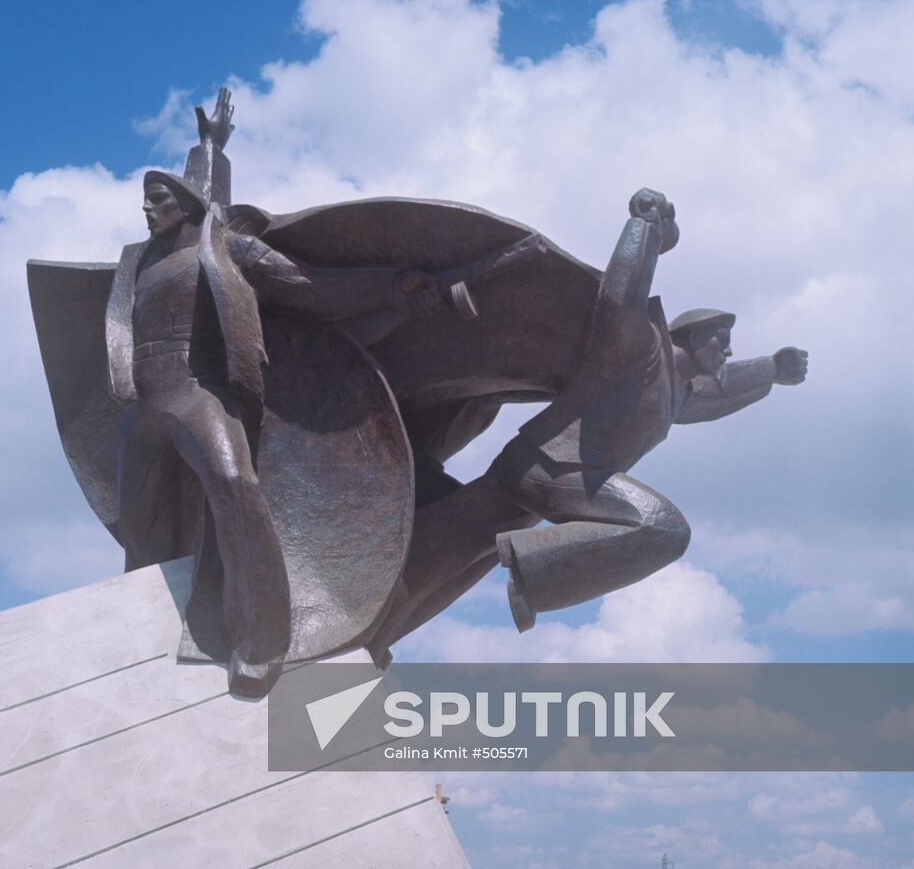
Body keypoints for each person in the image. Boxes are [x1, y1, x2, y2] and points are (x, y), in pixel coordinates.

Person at [367, 189, 807, 655]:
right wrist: (645, 229)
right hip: (549, 466)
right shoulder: (639, 350)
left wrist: (772, 370)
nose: (728, 351)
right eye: (720, 340)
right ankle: (532, 572)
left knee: (443, 561)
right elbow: (620, 299)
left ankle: (363, 635)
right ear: (692, 337)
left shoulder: (674, 396)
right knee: (661, 529)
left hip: (551, 480)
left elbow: (721, 388)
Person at [105, 113, 440, 695]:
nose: (146, 209)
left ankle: (260, 644)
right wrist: (206, 146)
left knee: (235, 484)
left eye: (157, 198)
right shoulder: (139, 263)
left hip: (195, 396)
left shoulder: (225, 248)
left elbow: (309, 285)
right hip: (146, 407)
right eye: (145, 199)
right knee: (139, 528)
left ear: (183, 205)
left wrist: (390, 287)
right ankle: (151, 630)